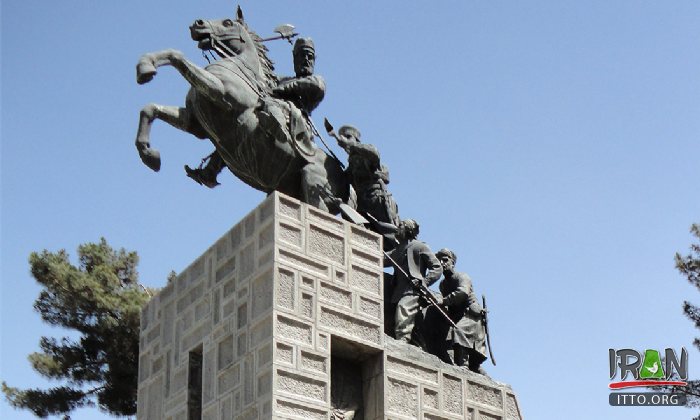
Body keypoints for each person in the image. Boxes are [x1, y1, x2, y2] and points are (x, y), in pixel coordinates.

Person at [185, 37, 326, 188]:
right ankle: (211, 170)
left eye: (309, 56)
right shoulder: (282, 79)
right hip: (274, 113)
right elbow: (261, 80)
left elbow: (310, 86)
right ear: (294, 59)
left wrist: (278, 89)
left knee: (270, 109)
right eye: (301, 55)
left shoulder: (316, 80)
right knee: (239, 125)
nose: (306, 59)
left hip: (296, 125)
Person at [427, 248, 488, 374]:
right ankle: (468, 366)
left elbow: (463, 293)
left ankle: (463, 365)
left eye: (445, 260)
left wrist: (444, 301)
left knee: (458, 330)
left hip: (470, 315)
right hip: (457, 315)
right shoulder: (443, 284)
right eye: (439, 261)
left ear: (452, 263)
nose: (442, 263)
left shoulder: (462, 276)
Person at [384, 219, 442, 343]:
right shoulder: (397, 250)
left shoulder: (419, 246)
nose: (397, 228)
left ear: (408, 229)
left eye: (400, 226)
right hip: (398, 291)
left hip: (413, 290)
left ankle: (403, 341)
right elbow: (382, 258)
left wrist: (424, 282)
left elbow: (437, 267)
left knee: (403, 309)